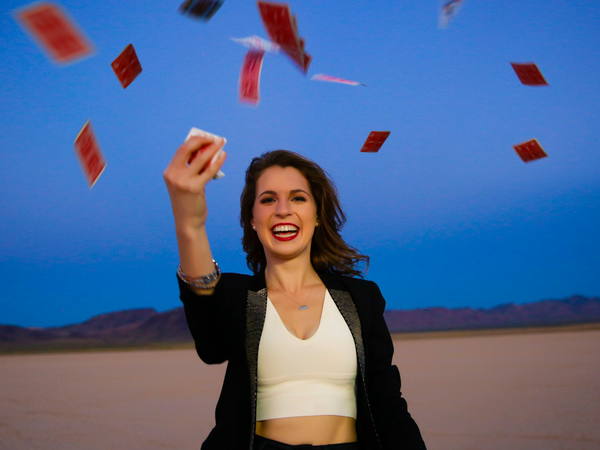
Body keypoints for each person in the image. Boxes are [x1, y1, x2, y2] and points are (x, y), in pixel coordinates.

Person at [163, 133, 427, 450]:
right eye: (268, 199)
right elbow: (212, 346)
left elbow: (389, 408)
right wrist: (189, 224)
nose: (283, 209)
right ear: (252, 219)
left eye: (298, 198)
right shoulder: (235, 295)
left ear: (316, 215)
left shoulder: (362, 298)